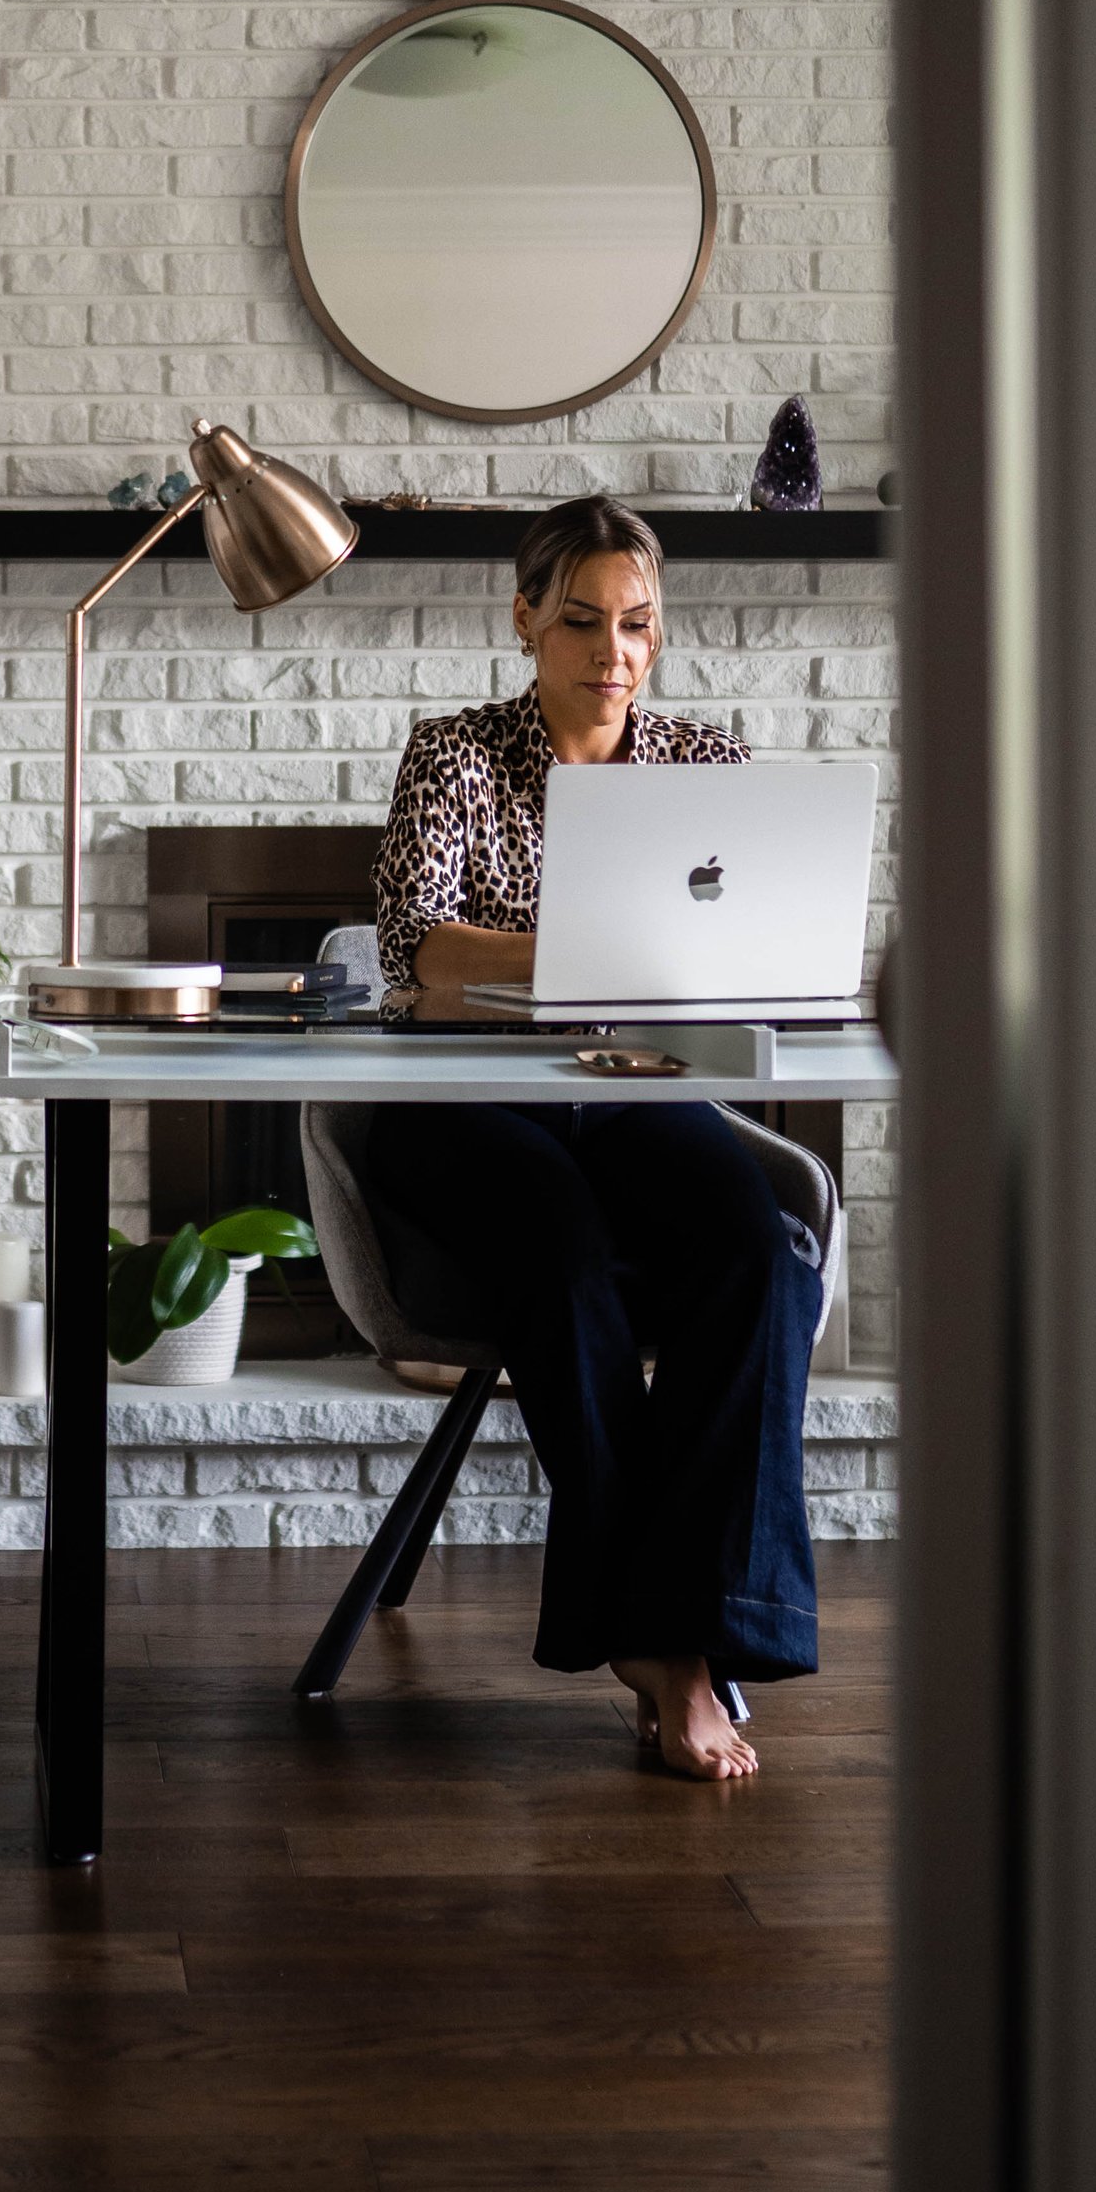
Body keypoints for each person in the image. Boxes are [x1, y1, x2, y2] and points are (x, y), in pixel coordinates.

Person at [365, 492, 824, 1780]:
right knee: (564, 1256)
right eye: (581, 622)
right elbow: (423, 955)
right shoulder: (456, 755)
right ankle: (669, 1654)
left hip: (630, 1091)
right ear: (524, 619)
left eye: (636, 625)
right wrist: (604, 950)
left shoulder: (700, 767)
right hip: (460, 1101)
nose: (612, 652)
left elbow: (725, 962)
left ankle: (708, 1624)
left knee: (764, 1245)